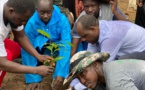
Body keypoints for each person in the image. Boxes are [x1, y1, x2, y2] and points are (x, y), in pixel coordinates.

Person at [0, 0, 54, 89]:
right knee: (7, 57)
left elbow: (21, 37)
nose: (22, 24)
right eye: (21, 20)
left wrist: (38, 56)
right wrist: (36, 70)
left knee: (15, 48)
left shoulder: (10, 6)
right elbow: (2, 64)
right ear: (11, 11)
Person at [21, 0, 71, 90]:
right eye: (42, 13)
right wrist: (33, 78)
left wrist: (61, 73)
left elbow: (66, 46)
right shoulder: (32, 23)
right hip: (42, 52)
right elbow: (26, 48)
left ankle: (59, 69)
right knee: (34, 42)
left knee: (71, 47)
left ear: (52, 9)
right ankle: (39, 67)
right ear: (36, 10)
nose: (45, 16)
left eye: (48, 12)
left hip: (58, 50)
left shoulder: (62, 20)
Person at [76, 15, 145, 61]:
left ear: (93, 29)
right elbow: (89, 57)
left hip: (143, 50)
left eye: (84, 36)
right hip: (136, 47)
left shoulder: (109, 37)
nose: (83, 39)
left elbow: (105, 66)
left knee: (120, 64)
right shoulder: (97, 29)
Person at [64, 51, 145, 90]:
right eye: (78, 79)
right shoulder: (107, 71)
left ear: (94, 64)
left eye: (82, 74)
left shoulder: (115, 81)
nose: (82, 81)